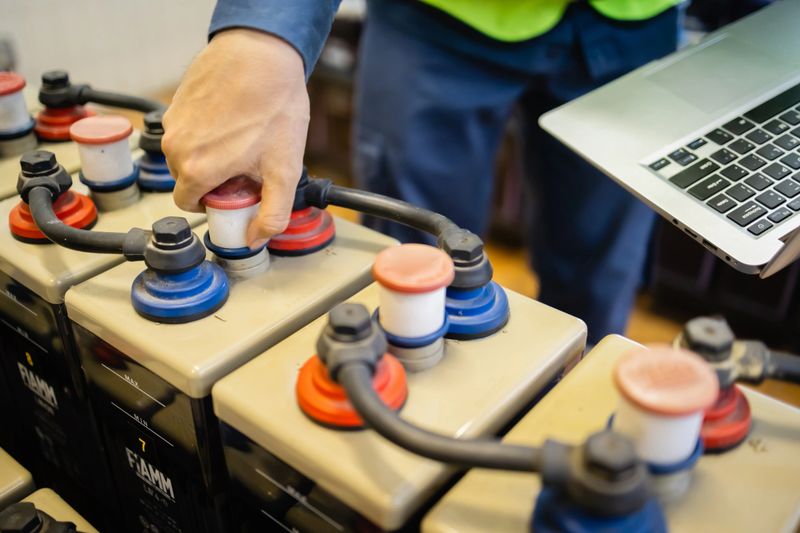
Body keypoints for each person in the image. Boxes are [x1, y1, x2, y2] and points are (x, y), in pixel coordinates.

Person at [162, 0, 684, 344]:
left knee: (600, 275)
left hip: (635, 20)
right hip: (438, 20)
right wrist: (263, 30)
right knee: (411, 261)